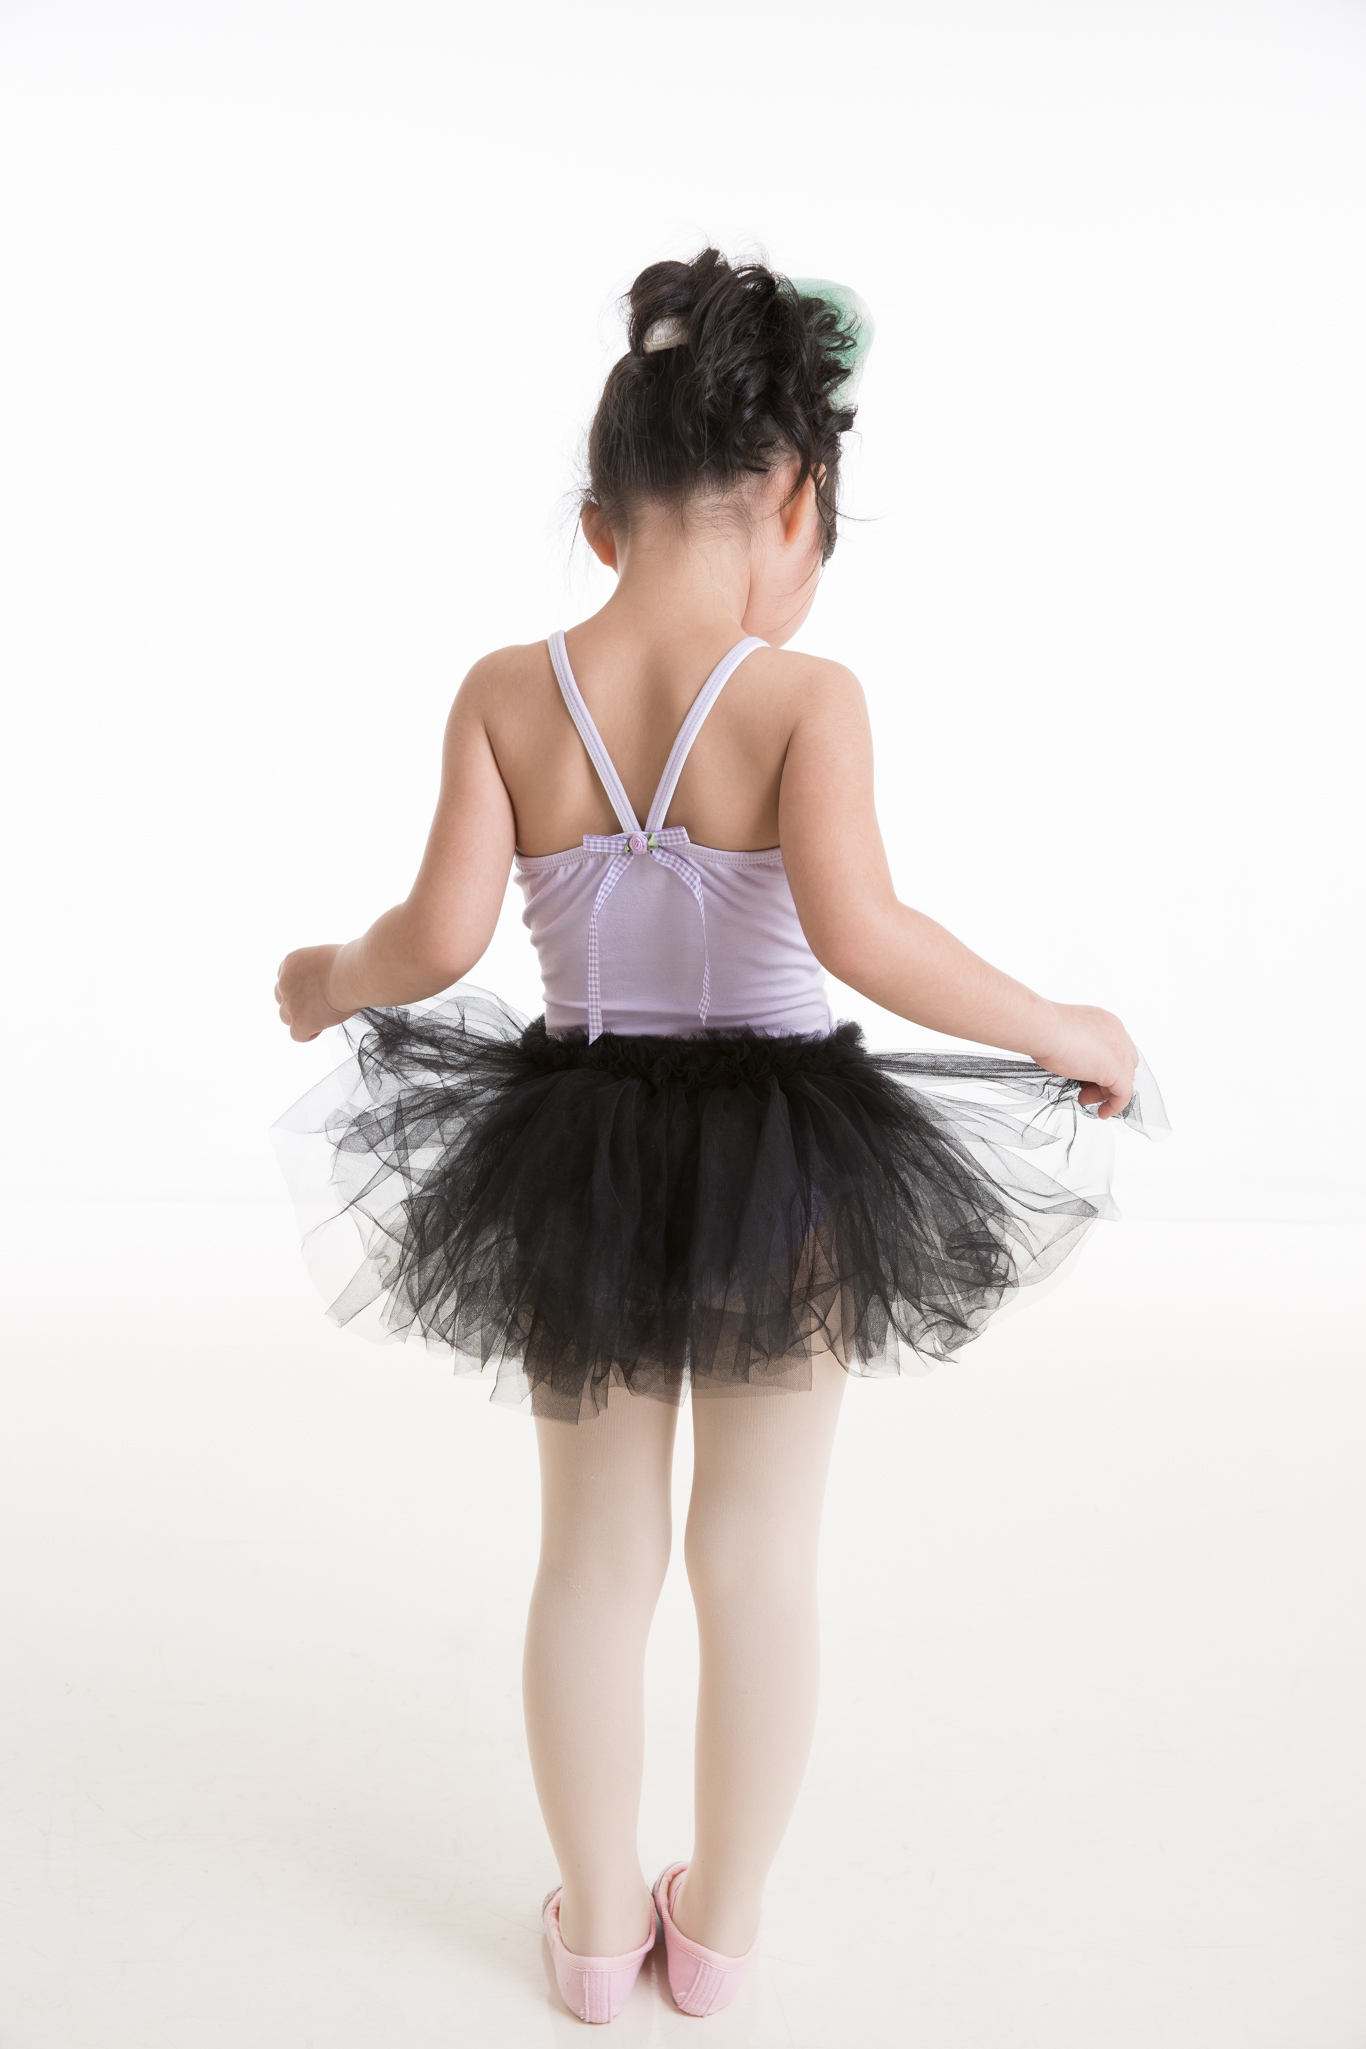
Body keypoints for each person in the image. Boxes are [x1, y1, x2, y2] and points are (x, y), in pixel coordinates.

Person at [272, 248, 1164, 2025]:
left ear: (599, 520)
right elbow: (866, 934)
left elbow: (436, 941)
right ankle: (721, 1930)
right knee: (754, 1558)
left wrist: (324, 978)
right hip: (783, 1161)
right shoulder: (801, 700)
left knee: (593, 1557)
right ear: (795, 501)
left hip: (574, 1153)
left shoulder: (509, 690)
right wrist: (1062, 1022)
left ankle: (596, 1933)